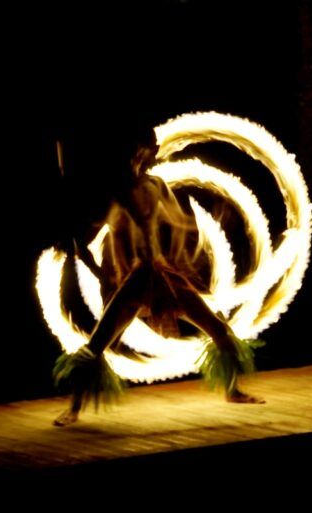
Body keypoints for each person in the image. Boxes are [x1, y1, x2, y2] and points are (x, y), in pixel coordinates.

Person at [53, 129, 264, 427]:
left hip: (164, 276)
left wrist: (211, 224)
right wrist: (79, 248)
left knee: (221, 331)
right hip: (135, 280)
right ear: (130, 154)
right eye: (136, 151)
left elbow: (179, 223)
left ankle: (234, 391)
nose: (140, 156)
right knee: (96, 346)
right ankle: (73, 409)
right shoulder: (115, 191)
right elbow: (91, 232)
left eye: (145, 151)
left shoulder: (157, 185)